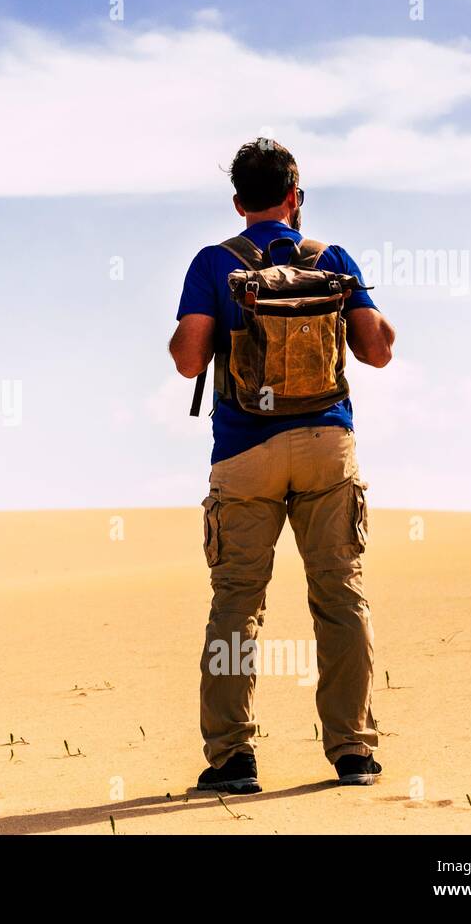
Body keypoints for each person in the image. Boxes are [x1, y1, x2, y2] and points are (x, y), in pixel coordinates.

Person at [168, 139, 396, 792]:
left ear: (238, 201)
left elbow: (188, 360)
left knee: (236, 609)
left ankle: (233, 761)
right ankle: (354, 753)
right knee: (341, 599)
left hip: (244, 454)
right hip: (328, 447)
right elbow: (376, 352)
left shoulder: (215, 262)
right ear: (295, 196)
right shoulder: (332, 258)